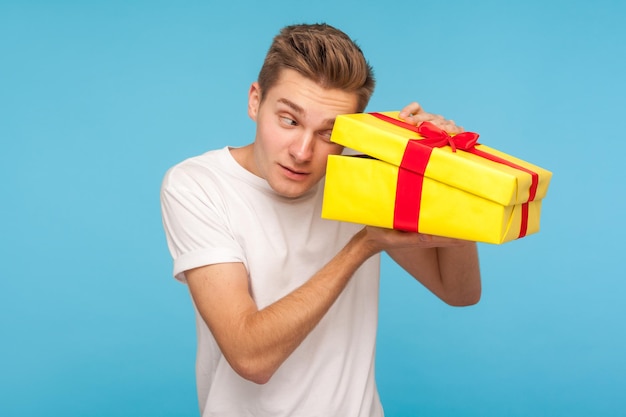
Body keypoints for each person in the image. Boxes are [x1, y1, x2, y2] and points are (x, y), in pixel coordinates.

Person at [160, 23, 481, 417]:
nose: (302, 151)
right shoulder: (198, 185)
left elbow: (459, 291)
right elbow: (250, 358)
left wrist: (449, 173)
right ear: (255, 101)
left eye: (329, 133)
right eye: (289, 120)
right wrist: (363, 245)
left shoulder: (363, 181)